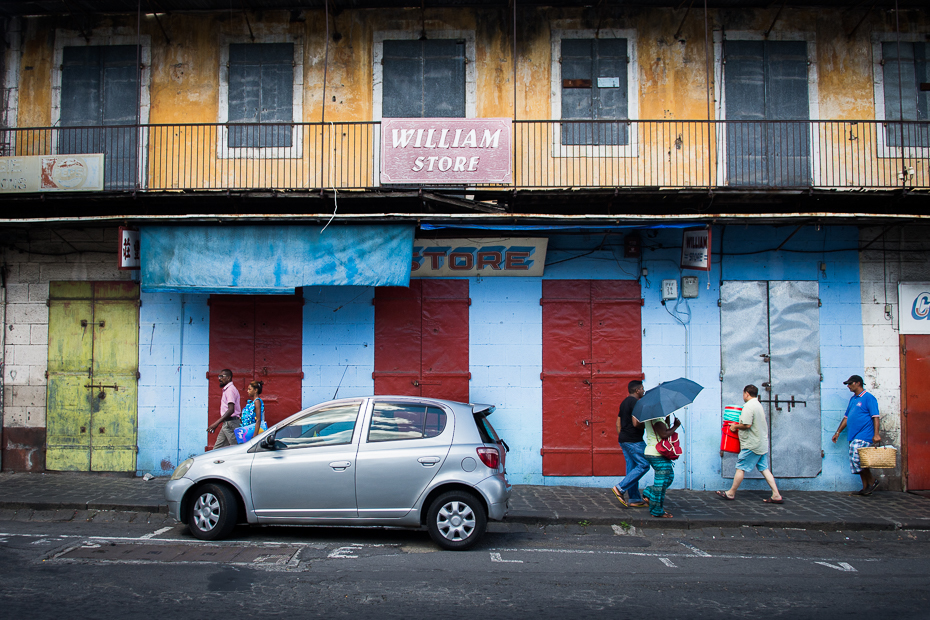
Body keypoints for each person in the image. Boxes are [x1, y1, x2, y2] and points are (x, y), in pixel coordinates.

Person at [715, 384, 784, 504]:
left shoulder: (748, 406)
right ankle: (776, 494)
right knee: (764, 468)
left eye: (743, 394)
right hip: (761, 443)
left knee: (740, 467)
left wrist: (734, 426)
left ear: (746, 393)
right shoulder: (758, 405)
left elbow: (747, 424)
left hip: (752, 444)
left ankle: (731, 493)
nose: (743, 396)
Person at [832, 374, 882, 496]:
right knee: (858, 461)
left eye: (850, 384)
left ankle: (872, 481)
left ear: (858, 383)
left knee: (856, 458)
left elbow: (875, 417)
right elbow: (846, 417)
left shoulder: (868, 398)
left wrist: (876, 434)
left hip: (864, 434)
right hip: (853, 435)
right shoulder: (853, 399)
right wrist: (838, 432)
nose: (848, 386)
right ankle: (866, 487)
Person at [612, 380, 649, 508]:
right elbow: (636, 423)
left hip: (624, 439)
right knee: (644, 464)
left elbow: (618, 423)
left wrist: (623, 436)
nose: (644, 391)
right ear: (637, 390)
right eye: (642, 388)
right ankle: (620, 488)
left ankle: (634, 499)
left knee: (632, 469)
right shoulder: (636, 403)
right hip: (634, 441)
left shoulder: (624, 402)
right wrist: (647, 423)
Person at [642, 413, 681, 518]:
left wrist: (667, 419)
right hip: (657, 453)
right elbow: (664, 434)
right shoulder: (656, 419)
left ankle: (649, 492)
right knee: (660, 485)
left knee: (668, 478)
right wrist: (676, 426)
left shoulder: (652, 418)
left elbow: (664, 429)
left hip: (653, 452)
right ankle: (657, 511)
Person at [208, 369, 241, 449]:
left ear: (228, 378)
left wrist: (216, 423)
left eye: (222, 376)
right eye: (219, 376)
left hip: (231, 424)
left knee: (236, 449)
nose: (219, 378)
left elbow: (231, 410)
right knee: (217, 449)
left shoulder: (230, 390)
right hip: (227, 423)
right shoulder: (227, 390)